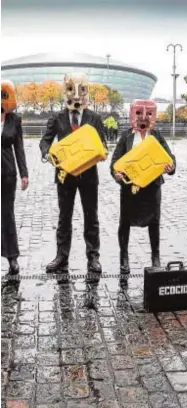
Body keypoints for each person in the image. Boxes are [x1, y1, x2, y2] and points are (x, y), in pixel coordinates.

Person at [39, 73, 107, 275]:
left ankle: (93, 257)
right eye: (71, 91)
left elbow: (103, 142)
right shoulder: (57, 118)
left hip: (88, 176)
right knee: (64, 217)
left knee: (91, 217)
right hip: (65, 176)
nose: (77, 96)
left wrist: (102, 152)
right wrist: (47, 154)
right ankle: (61, 257)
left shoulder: (94, 118)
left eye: (82, 90)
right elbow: (45, 141)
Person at [110, 99, 175, 274]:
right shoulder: (126, 136)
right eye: (139, 113)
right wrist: (117, 174)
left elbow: (170, 157)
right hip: (130, 188)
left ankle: (155, 257)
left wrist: (171, 167)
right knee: (125, 222)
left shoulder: (157, 135)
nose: (143, 118)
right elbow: (115, 161)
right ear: (133, 114)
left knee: (154, 223)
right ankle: (124, 257)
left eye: (147, 114)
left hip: (152, 188)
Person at [1, 80, 29, 275]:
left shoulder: (15, 120)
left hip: (7, 174)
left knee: (7, 215)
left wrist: (24, 174)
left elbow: (19, 148)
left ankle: (12, 258)